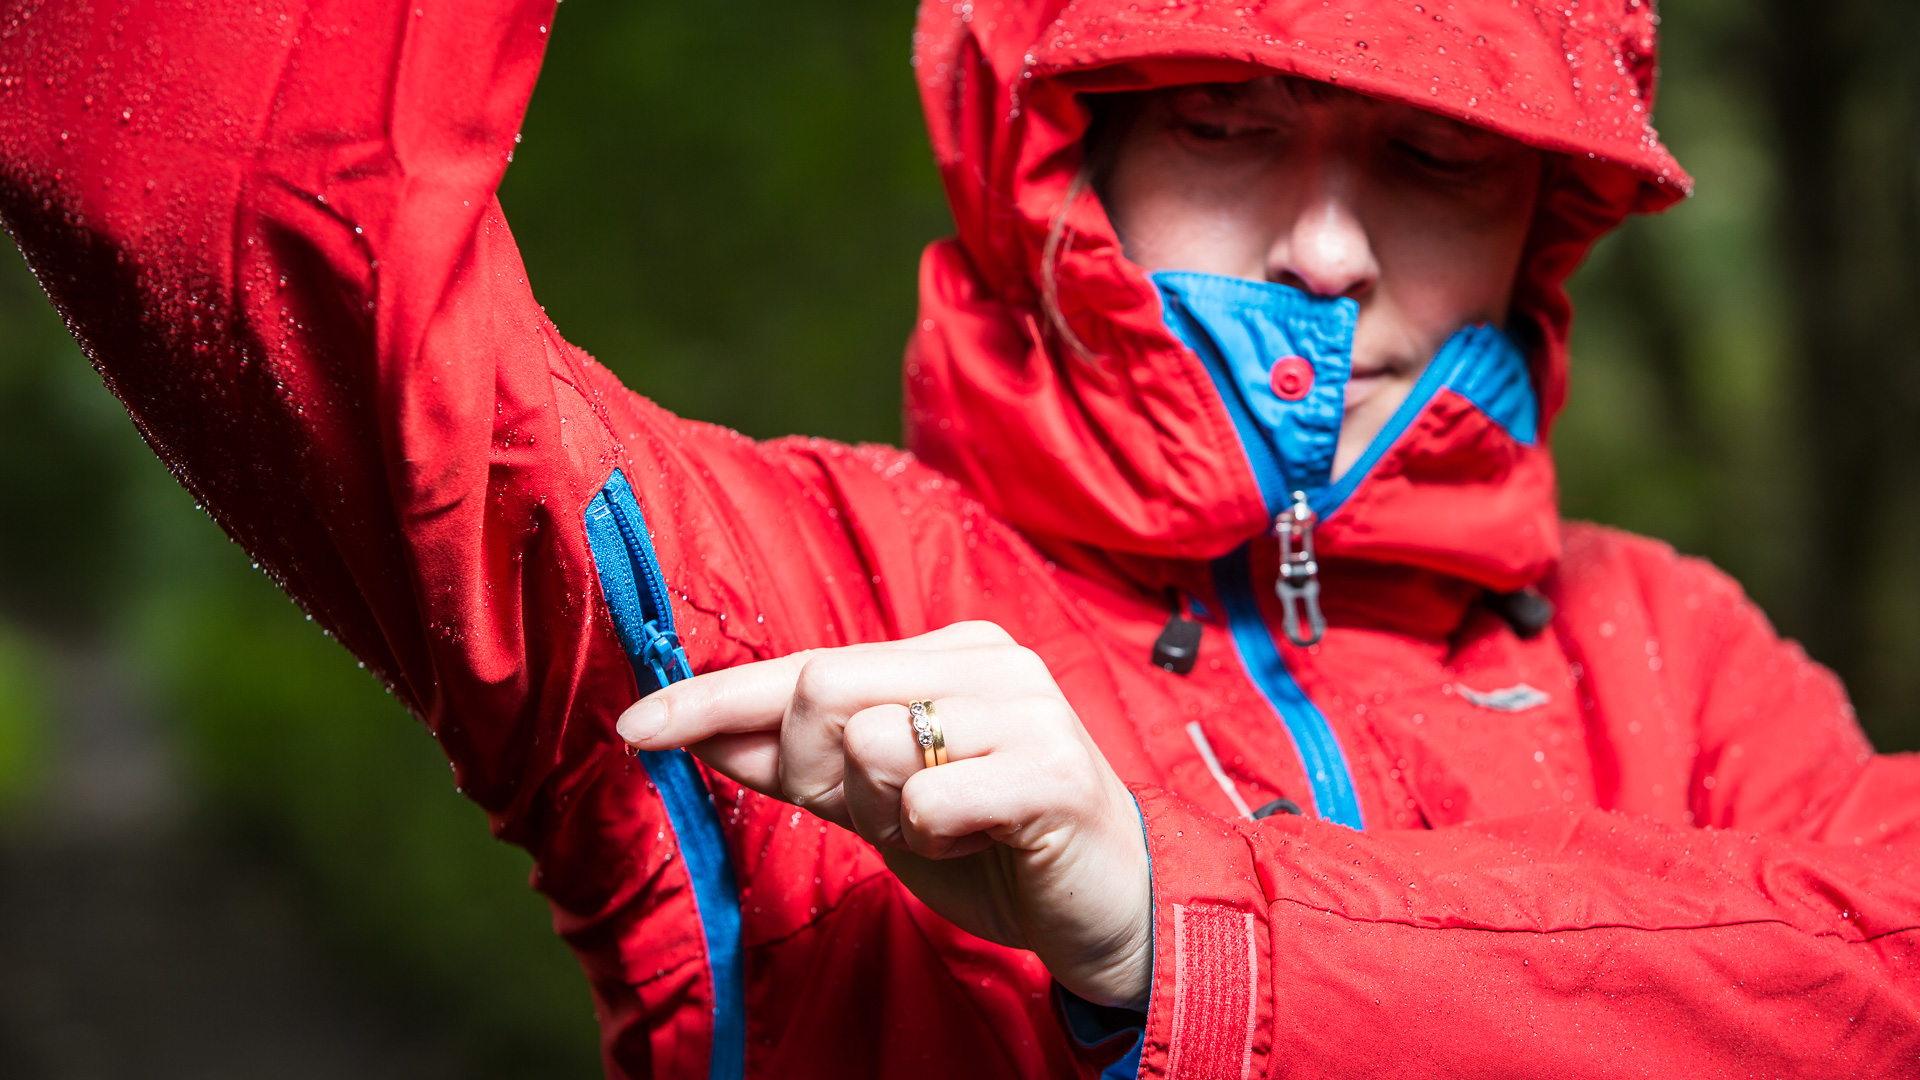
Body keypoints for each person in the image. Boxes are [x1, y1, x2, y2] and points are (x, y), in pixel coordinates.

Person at [2, 0, 1915, 1077]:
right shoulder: (801, 587)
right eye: (1231, 129)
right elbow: (219, 190)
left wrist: (1187, 932)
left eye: (1434, 161)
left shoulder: (1670, 650)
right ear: (1053, 153)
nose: (1329, 255)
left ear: (1541, 219)